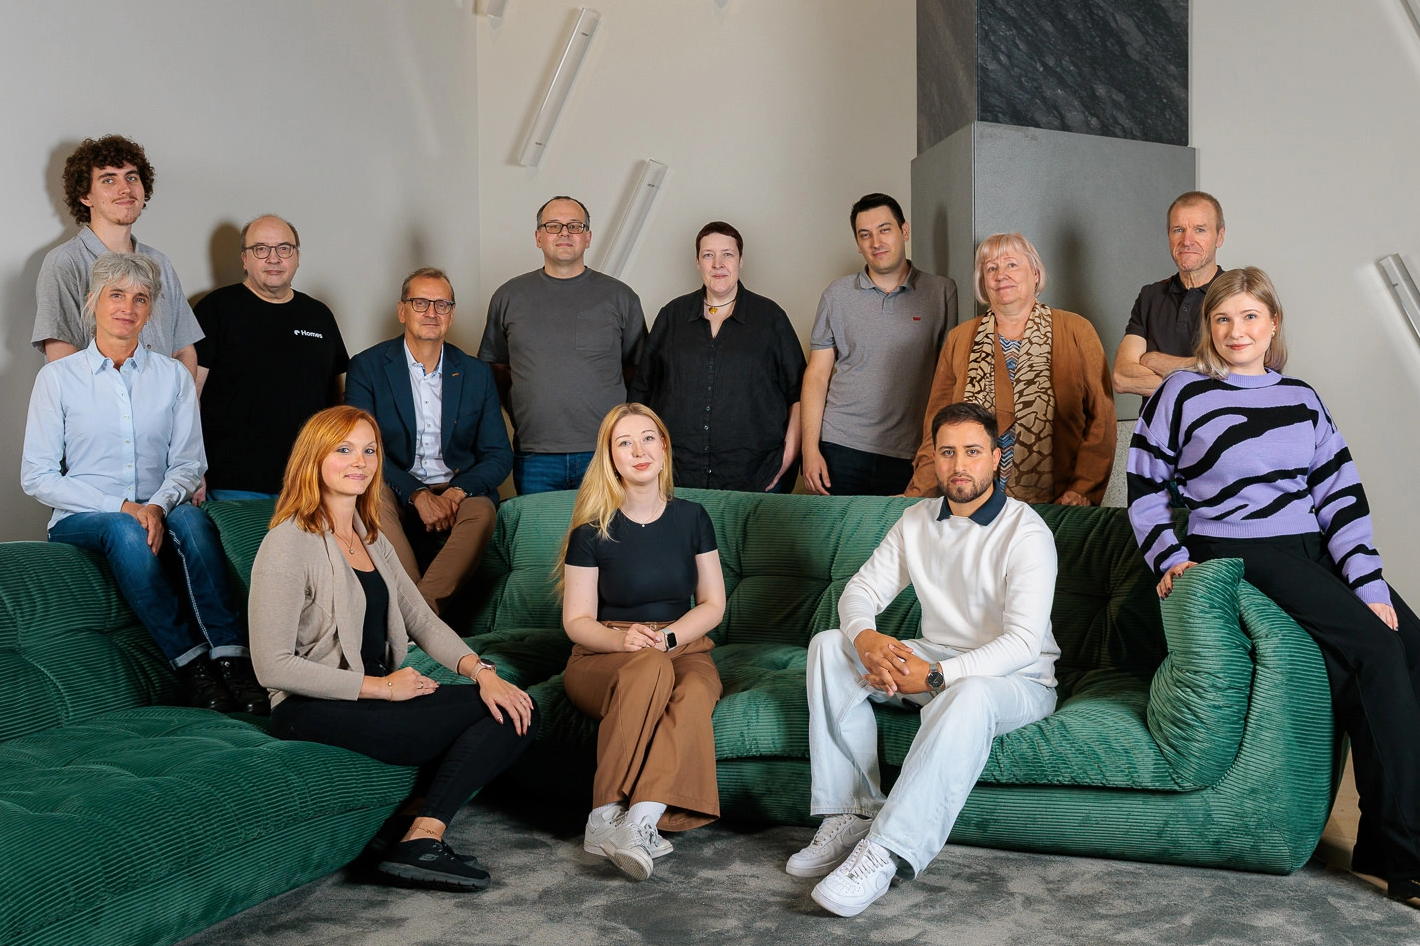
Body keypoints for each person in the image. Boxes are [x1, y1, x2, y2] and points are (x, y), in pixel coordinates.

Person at [1128, 267, 1420, 907]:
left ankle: (1379, 841)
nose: (1237, 331)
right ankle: (1409, 860)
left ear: (1273, 324)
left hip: (1306, 542)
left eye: (1250, 317)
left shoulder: (1302, 397)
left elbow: (1339, 494)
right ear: (1209, 328)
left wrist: (1369, 583)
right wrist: (1169, 557)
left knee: (1411, 643)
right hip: (1235, 542)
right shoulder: (1181, 391)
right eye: (1223, 319)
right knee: (1374, 649)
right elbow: (1146, 490)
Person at [248, 405, 537, 892]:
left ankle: (420, 833)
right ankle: (420, 840)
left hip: (374, 693)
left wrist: (482, 672)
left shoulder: (370, 536)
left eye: (369, 450)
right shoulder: (287, 542)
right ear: (314, 458)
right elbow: (271, 666)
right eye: (343, 450)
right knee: (495, 716)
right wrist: (381, 687)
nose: (359, 461)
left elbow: (421, 618)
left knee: (512, 703)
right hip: (310, 706)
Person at [791, 402, 1059, 917]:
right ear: (934, 459)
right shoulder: (916, 520)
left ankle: (886, 850)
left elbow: (1024, 642)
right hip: (937, 659)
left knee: (970, 694)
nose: (961, 464)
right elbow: (862, 589)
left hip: (1016, 679)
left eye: (974, 452)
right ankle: (851, 812)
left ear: (997, 458)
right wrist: (865, 636)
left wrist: (936, 674)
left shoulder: (1027, 532)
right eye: (949, 452)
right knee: (829, 645)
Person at [21, 253, 266, 715]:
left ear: (151, 311)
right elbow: (37, 476)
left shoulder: (172, 376)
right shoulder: (58, 379)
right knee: (123, 528)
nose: (127, 307)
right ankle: (192, 665)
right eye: (116, 295)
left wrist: (155, 505)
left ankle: (233, 661)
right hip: (84, 518)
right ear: (93, 302)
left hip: (159, 506)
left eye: (140, 298)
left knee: (193, 520)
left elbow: (189, 463)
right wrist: (125, 507)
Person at [559, 403, 726, 881]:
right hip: (605, 652)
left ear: (664, 447)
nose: (639, 450)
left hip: (683, 643)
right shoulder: (590, 532)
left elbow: (713, 604)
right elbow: (577, 621)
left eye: (648, 438)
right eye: (624, 442)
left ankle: (640, 821)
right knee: (651, 667)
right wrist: (626, 640)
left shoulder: (693, 517)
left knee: (694, 689)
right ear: (610, 457)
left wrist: (669, 637)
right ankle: (602, 815)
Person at [346, 267, 512, 615]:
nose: (431, 313)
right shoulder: (368, 367)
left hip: (457, 486)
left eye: (441, 304)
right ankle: (424, 619)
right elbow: (364, 449)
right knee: (370, 497)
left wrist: (454, 493)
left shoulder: (475, 373)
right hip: (395, 484)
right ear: (402, 310)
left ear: (451, 314)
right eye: (420, 303)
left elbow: (498, 455)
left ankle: (418, 614)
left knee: (482, 511)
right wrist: (417, 494)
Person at [904, 232, 1116, 506]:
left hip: (1058, 501)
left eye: (1012, 264)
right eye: (991, 268)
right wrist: (918, 496)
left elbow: (1103, 420)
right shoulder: (960, 338)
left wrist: (1083, 489)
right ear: (984, 282)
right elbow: (937, 427)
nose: (1001, 274)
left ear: (1036, 273)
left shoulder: (1076, 330)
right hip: (973, 503)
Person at [479, 196, 647, 494]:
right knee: (540, 540)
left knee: (608, 539)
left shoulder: (620, 297)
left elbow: (637, 370)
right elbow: (496, 368)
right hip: (534, 453)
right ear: (538, 237)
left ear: (588, 237)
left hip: (605, 452)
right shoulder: (508, 296)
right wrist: (522, 409)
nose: (565, 233)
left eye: (575, 226)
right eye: (553, 225)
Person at [628, 221, 805, 491]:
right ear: (697, 262)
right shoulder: (672, 316)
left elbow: (800, 394)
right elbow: (642, 392)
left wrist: (787, 458)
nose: (718, 264)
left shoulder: (770, 318)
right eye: (708, 255)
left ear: (741, 260)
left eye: (728, 254)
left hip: (754, 475)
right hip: (678, 474)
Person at [800, 193, 957, 496]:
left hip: (909, 453)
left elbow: (946, 379)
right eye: (865, 235)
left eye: (885, 229)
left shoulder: (942, 292)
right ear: (858, 244)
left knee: (901, 542)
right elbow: (817, 376)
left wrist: (938, 453)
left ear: (904, 231)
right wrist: (810, 450)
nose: (876, 242)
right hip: (840, 447)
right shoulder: (837, 295)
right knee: (839, 542)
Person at [195, 214, 348, 500]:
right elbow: (191, 394)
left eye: (284, 248)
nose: (273, 258)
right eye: (261, 249)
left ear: (297, 257)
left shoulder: (319, 316)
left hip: (306, 481)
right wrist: (192, 467)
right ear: (245, 259)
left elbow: (337, 403)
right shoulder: (216, 309)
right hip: (232, 482)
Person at [33, 135, 202, 378]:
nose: (125, 188)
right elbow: (62, 361)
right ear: (85, 196)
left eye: (132, 177)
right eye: (108, 180)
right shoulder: (64, 263)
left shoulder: (160, 263)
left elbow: (184, 349)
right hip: (100, 413)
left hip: (163, 414)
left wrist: (183, 407)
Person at [1113, 191, 1227, 398]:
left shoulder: (1238, 294)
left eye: (1200, 230)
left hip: (1214, 429)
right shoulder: (1150, 296)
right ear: (1169, 235)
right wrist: (1202, 371)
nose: (1187, 240)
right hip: (1155, 430)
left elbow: (1234, 376)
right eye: (1178, 230)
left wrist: (1153, 359)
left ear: (1220, 236)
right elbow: (1122, 377)